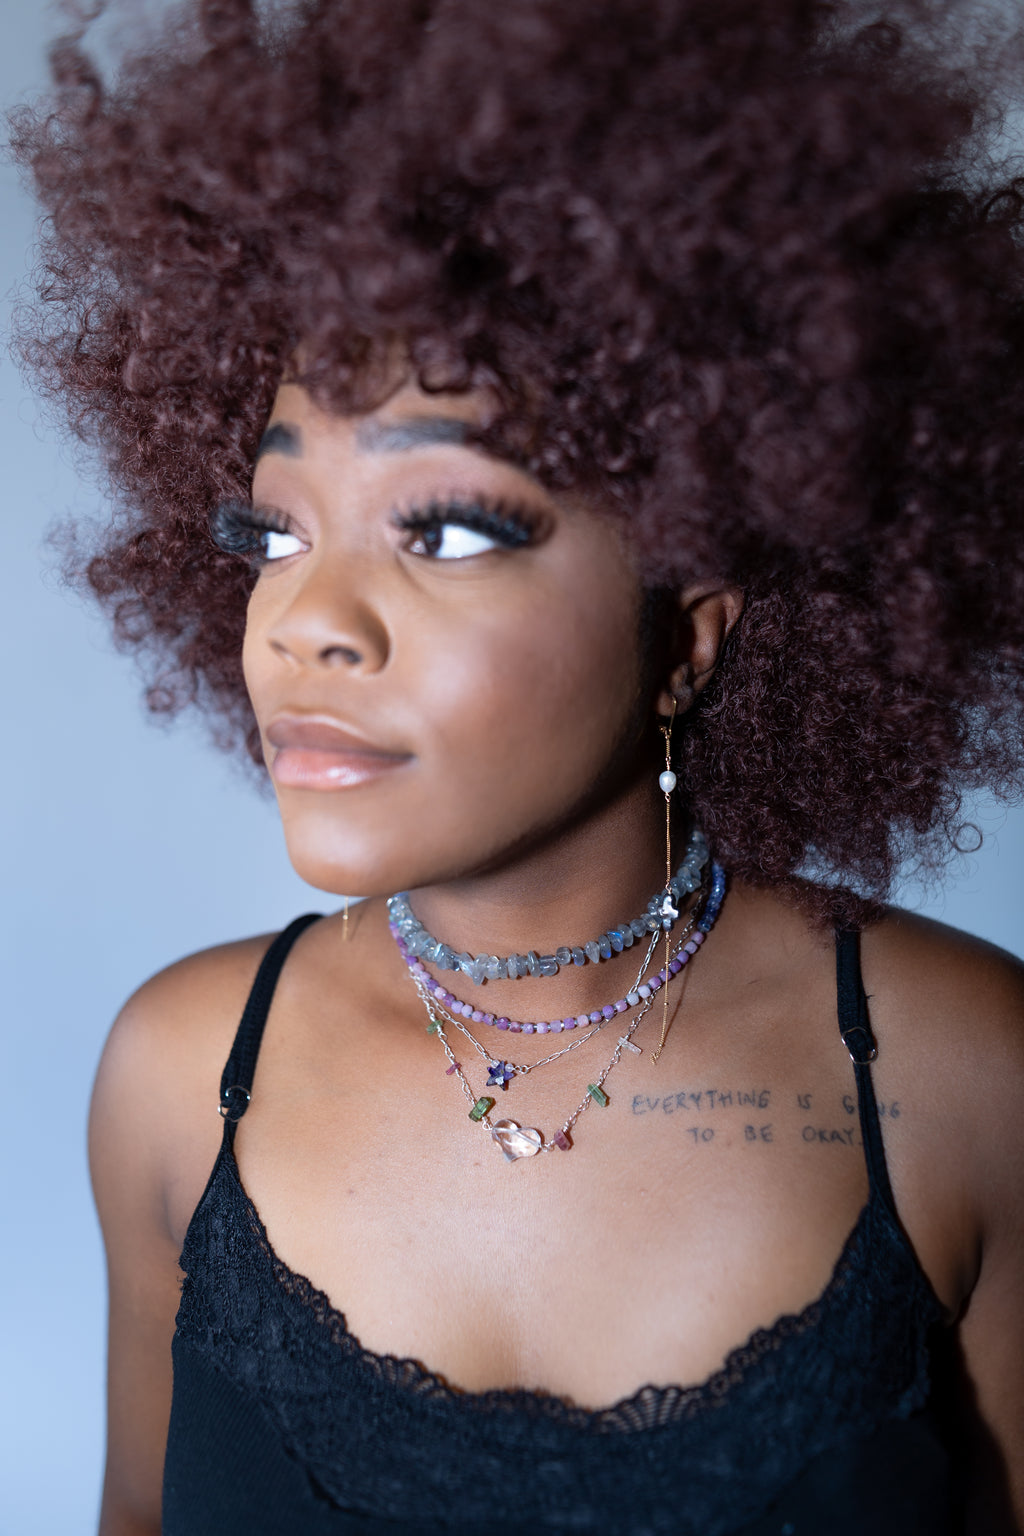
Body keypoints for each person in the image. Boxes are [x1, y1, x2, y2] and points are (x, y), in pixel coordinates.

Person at [12, 0, 1024, 1530]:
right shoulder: (176, 1078)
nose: (309, 622)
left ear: (689, 638)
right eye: (275, 533)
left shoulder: (962, 1072)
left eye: (451, 530)